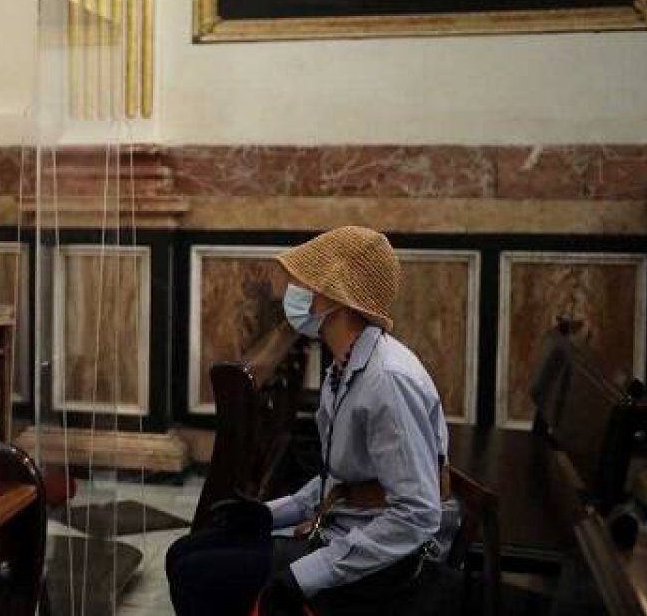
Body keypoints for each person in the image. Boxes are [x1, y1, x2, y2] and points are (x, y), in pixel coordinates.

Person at [167, 225, 457, 616]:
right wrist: (268, 513)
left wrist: (304, 575)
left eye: (305, 281)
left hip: (382, 563)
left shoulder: (388, 380)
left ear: (334, 296)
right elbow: (341, 480)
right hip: (348, 529)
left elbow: (416, 516)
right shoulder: (345, 364)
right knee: (184, 552)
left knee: (197, 574)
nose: (293, 290)